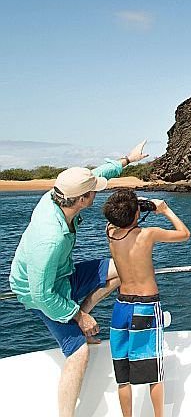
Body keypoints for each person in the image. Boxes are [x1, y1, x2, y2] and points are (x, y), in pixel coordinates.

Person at [8, 140, 149, 417]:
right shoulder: (51, 238)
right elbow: (41, 294)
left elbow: (95, 175)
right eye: (92, 192)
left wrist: (127, 159)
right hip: (41, 292)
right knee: (79, 354)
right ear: (83, 200)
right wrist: (78, 317)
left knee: (126, 267)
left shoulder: (57, 194)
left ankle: (82, 315)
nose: (97, 193)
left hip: (62, 276)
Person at [103, 189, 190, 417]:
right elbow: (184, 233)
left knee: (123, 377)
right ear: (135, 214)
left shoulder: (110, 233)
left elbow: (117, 217)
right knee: (155, 375)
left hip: (121, 307)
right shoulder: (147, 234)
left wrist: (135, 208)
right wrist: (164, 209)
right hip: (146, 307)